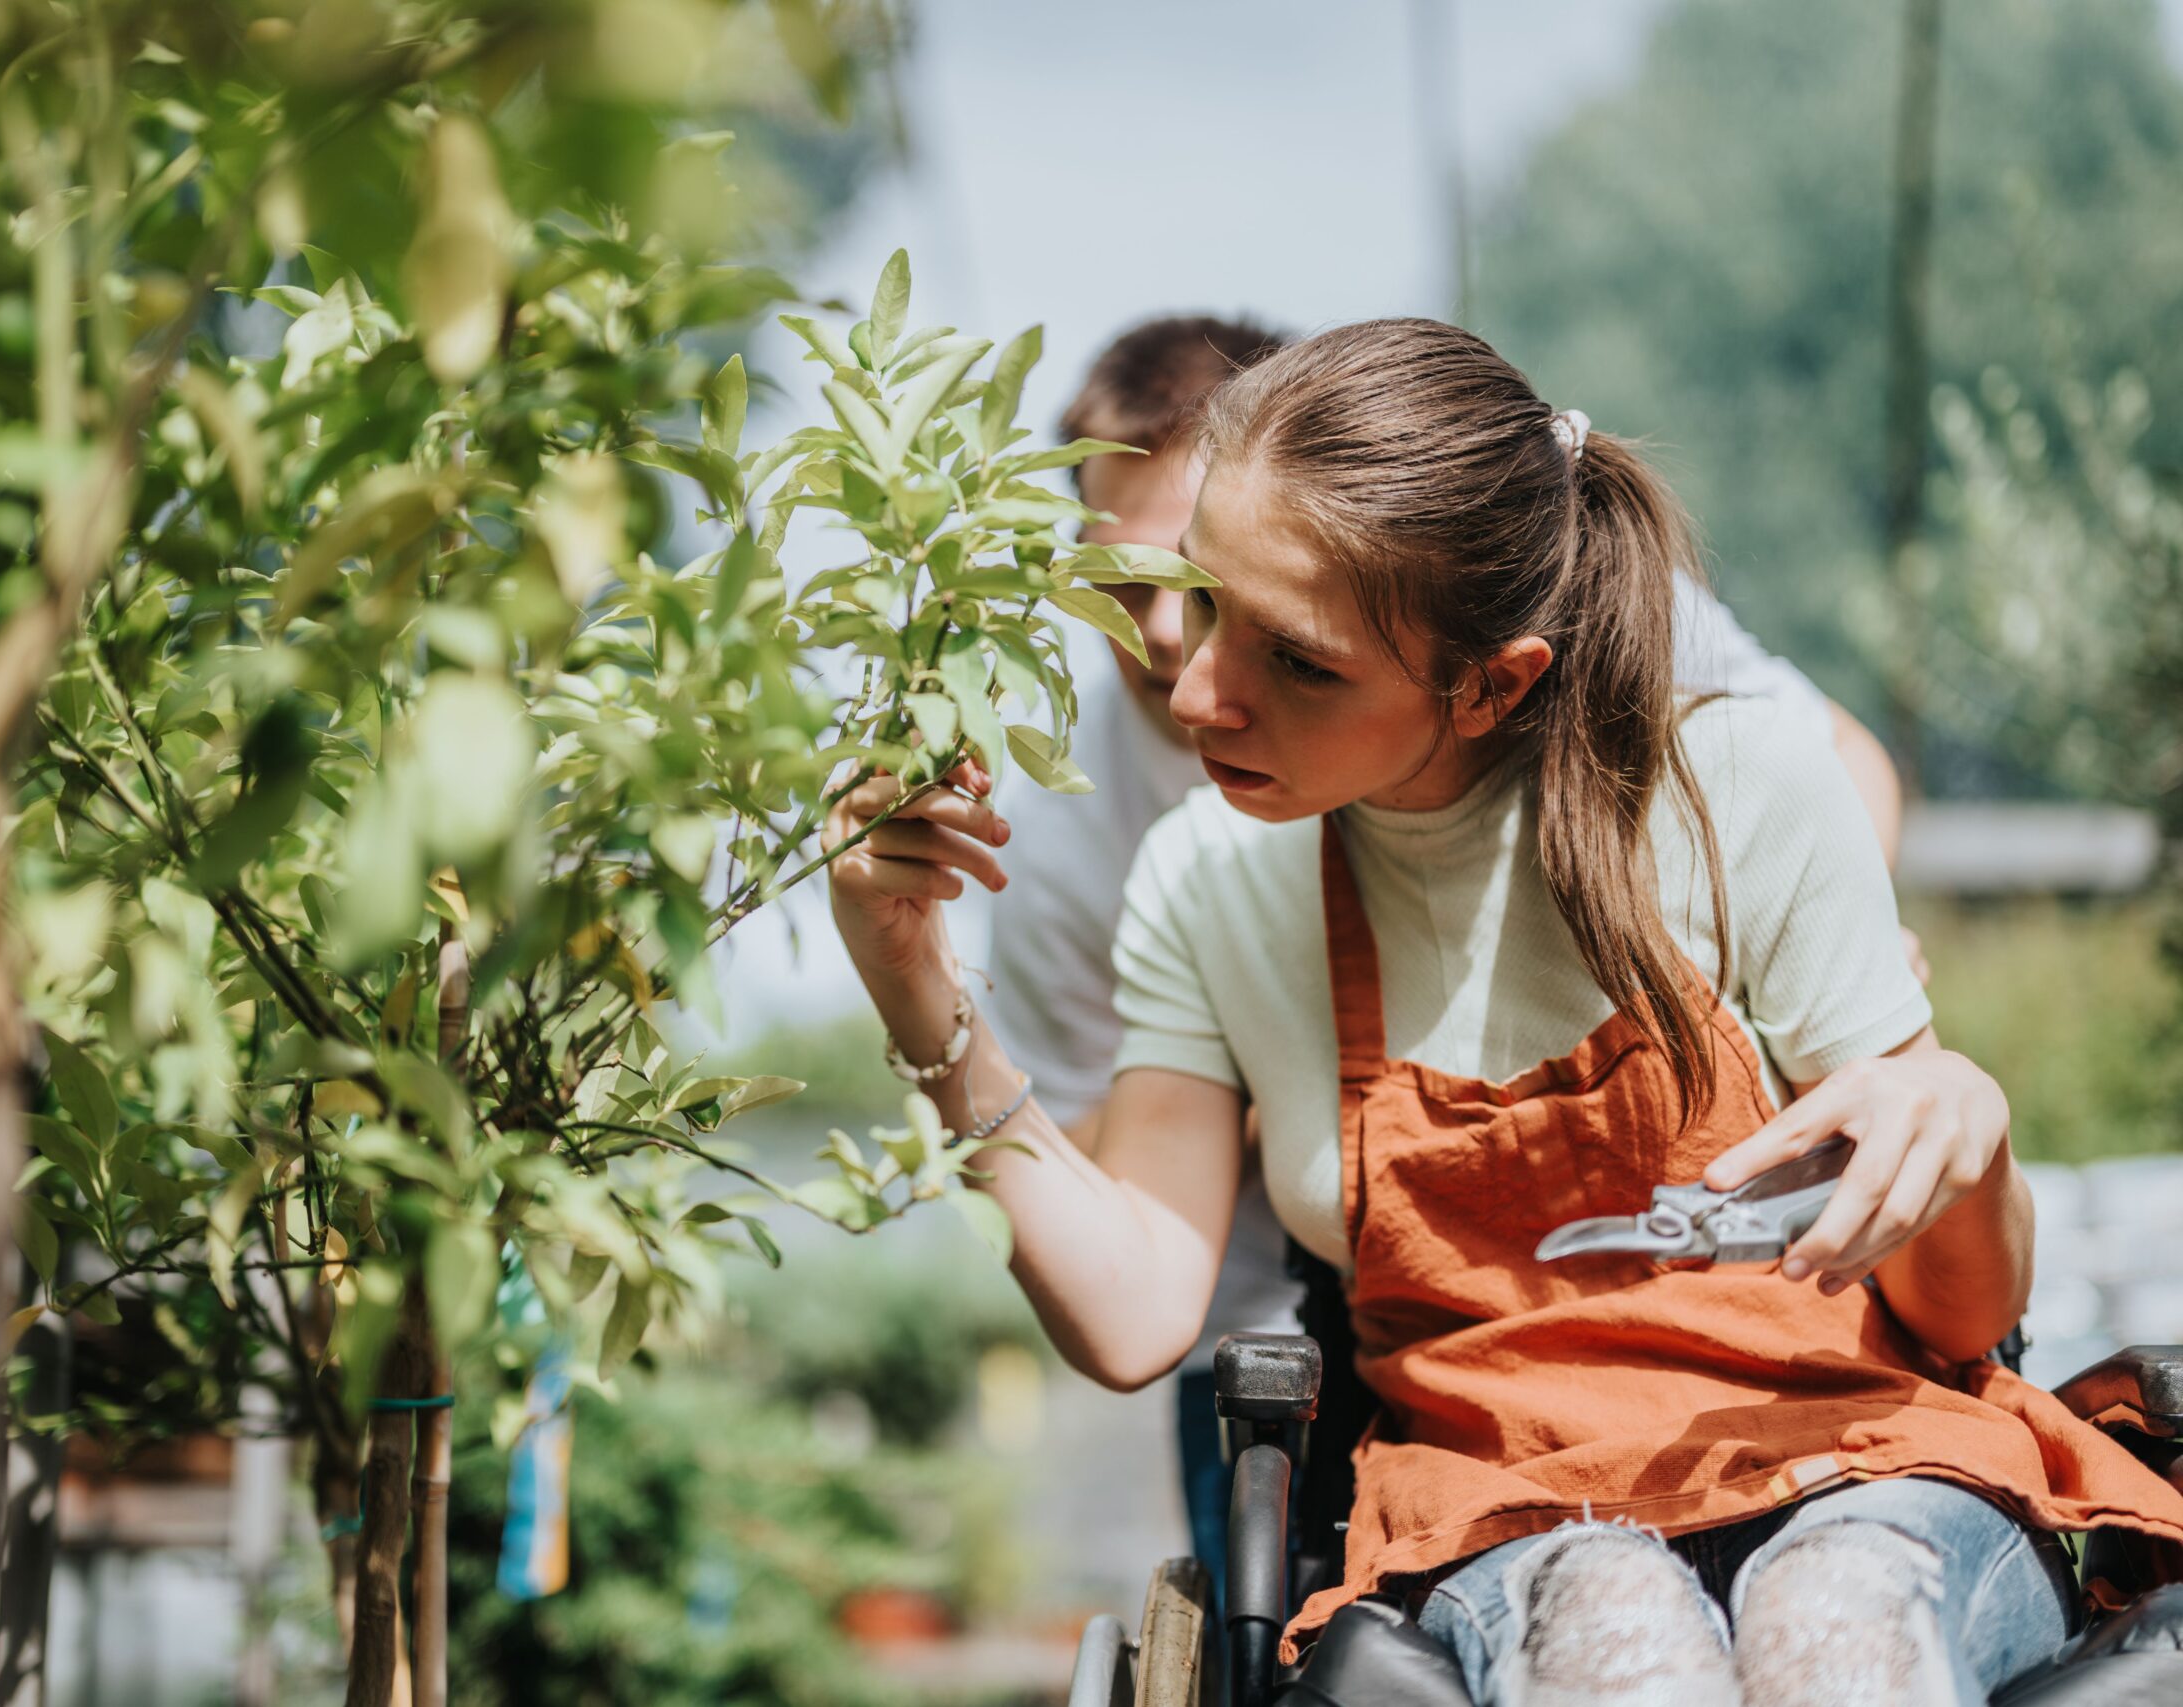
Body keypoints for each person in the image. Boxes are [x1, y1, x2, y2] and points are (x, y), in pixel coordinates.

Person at [827, 320, 2183, 1705]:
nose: (1196, 689)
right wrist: (912, 977)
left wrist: (1967, 1126)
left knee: (1829, 1616)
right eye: (1200, 602)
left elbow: (1965, 1312)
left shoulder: (1742, 784)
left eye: (1297, 662)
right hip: (1493, 1503)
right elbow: (1125, 1313)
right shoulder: (1208, 880)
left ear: (1494, 682)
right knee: (1616, 1635)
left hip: (1869, 1470)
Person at [985, 315, 1919, 1614]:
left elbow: (1819, 774)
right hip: (1289, 1304)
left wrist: (1840, 1001)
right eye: (1130, 587)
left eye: (1282, 644)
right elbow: (1118, 1198)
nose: (1169, 650)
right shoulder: (1099, 848)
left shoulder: (1524, 572)